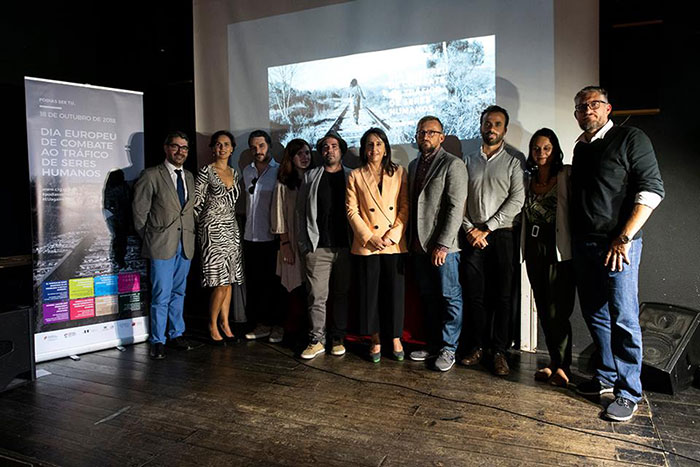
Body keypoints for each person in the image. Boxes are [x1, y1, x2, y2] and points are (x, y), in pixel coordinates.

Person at [570, 86, 664, 422]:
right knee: (595, 314)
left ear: (608, 108)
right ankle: (606, 377)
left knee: (623, 317)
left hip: (618, 246)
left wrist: (623, 237)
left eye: (593, 104)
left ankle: (629, 393)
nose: (586, 111)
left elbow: (652, 190)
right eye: (580, 107)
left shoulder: (630, 138)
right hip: (586, 246)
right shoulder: (581, 148)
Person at [460, 105, 525, 377]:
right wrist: (469, 229)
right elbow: (458, 200)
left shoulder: (514, 161)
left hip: (502, 236)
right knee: (475, 296)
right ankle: (477, 346)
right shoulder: (466, 161)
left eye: (497, 124)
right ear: (481, 126)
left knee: (503, 296)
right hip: (472, 236)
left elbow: (517, 200)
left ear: (505, 130)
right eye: (487, 123)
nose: (491, 128)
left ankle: (499, 351)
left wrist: (488, 228)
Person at [407, 116, 468, 372]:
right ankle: (432, 344)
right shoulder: (412, 165)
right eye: (421, 132)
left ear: (441, 137)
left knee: (449, 297)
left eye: (431, 132)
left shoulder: (452, 165)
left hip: (444, 247)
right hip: (418, 245)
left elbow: (456, 208)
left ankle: (448, 348)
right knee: (429, 297)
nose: (425, 136)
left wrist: (443, 245)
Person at [346, 128, 409, 362]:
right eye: (370, 145)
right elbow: (351, 210)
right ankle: (375, 339)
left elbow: (405, 206)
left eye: (379, 144)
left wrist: (393, 235)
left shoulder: (399, 172)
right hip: (367, 244)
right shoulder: (355, 175)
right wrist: (370, 237)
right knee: (369, 293)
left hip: (393, 243)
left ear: (386, 148)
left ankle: (395, 337)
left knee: (394, 293)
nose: (374, 149)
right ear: (364, 149)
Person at [132, 131, 197, 359]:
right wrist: (152, 238)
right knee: (161, 293)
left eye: (185, 148)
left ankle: (176, 333)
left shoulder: (189, 176)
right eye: (176, 147)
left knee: (179, 291)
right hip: (161, 245)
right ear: (166, 148)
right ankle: (157, 340)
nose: (181, 152)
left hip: (185, 243)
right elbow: (139, 214)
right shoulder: (151, 175)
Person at [520, 128, 575, 386]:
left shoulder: (565, 175)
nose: (540, 153)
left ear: (554, 150)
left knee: (558, 310)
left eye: (546, 148)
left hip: (557, 250)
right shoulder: (527, 178)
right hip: (533, 248)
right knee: (543, 307)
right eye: (536, 149)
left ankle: (564, 366)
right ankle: (553, 362)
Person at [296, 131, 352, 360]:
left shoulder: (353, 176)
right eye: (325, 147)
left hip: (346, 247)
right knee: (317, 297)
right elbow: (300, 212)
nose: (330, 150)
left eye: (334, 146)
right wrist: (303, 245)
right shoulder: (311, 177)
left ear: (341, 150)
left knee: (341, 294)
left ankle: (337, 338)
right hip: (317, 247)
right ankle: (316, 339)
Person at [194, 130, 245, 345]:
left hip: (231, 229)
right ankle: (212, 325)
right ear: (213, 148)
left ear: (232, 148)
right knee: (220, 282)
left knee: (230, 281)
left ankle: (226, 324)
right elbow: (196, 204)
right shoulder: (206, 171)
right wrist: (201, 231)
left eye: (225, 144)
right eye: (217, 144)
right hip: (212, 230)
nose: (221, 148)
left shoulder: (235, 173)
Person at [241, 130, 284, 343]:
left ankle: (278, 325)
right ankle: (261, 324)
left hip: (272, 238)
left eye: (261, 146)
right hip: (250, 237)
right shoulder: (246, 171)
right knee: (255, 285)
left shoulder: (279, 171)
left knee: (274, 285)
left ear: (269, 146)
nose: (257, 151)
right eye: (253, 147)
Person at [270, 138, 312, 340]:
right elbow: (278, 216)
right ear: (291, 157)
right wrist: (285, 244)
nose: (305, 157)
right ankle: (291, 329)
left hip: (312, 242)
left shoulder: (314, 178)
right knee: (292, 286)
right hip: (292, 241)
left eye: (307, 153)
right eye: (300, 154)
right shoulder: (283, 183)